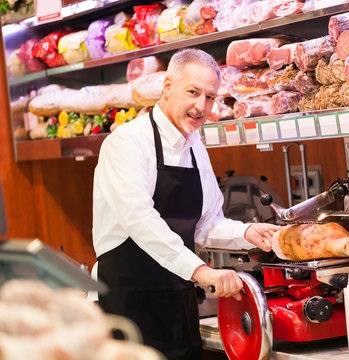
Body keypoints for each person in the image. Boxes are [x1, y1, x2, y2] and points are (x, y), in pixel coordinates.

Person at [92, 48, 281, 360]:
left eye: (209, 97)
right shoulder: (126, 142)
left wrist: (247, 233)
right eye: (192, 92)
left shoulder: (195, 148)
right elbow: (140, 220)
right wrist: (200, 271)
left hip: (178, 303)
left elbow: (206, 223)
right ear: (168, 87)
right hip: (128, 304)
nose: (201, 106)